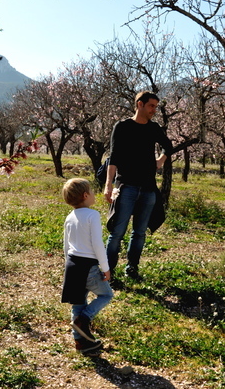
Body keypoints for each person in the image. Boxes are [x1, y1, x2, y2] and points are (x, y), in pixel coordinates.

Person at [104, 91, 173, 280]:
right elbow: (114, 157)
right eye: (151, 106)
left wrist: (161, 159)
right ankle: (108, 271)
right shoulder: (123, 127)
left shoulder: (154, 128)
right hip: (126, 186)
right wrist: (108, 184)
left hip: (148, 188)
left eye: (156, 107)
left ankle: (131, 269)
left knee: (139, 233)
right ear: (140, 104)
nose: (154, 110)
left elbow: (168, 145)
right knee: (117, 232)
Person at [61, 178, 114, 356]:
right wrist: (105, 268)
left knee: (78, 302)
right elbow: (98, 244)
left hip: (72, 265)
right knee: (106, 294)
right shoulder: (92, 215)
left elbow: (66, 246)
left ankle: (81, 343)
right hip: (88, 266)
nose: (93, 194)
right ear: (85, 195)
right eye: (91, 191)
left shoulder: (69, 217)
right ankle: (84, 319)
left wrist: (67, 266)